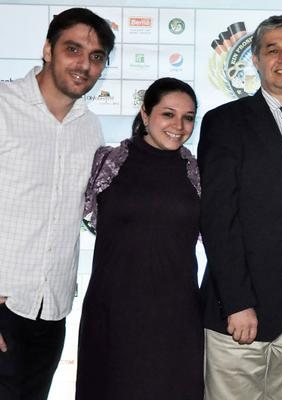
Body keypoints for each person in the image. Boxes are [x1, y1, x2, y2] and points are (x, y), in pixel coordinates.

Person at [199, 15, 282, 400]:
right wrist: (237, 302)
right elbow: (217, 220)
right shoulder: (225, 122)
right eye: (272, 50)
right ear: (255, 60)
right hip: (242, 310)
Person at [0, 8, 114, 399]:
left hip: (52, 310)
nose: (84, 64)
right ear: (48, 49)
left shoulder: (91, 128)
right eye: (73, 49)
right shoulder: (2, 106)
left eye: (96, 56)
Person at [75, 78, 202, 399]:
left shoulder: (198, 173)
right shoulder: (108, 161)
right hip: (113, 312)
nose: (179, 125)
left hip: (175, 315)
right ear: (145, 114)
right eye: (168, 114)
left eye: (188, 117)